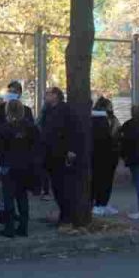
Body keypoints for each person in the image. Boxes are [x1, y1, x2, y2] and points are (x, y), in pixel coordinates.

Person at [0, 99, 39, 238]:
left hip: (8, 164)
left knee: (8, 196)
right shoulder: (30, 127)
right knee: (22, 196)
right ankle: (23, 227)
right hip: (25, 165)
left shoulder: (4, 128)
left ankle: (9, 227)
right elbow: (37, 145)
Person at [39, 87, 80, 230]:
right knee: (56, 186)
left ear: (56, 95)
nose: (45, 97)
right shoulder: (49, 110)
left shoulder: (65, 110)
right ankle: (64, 215)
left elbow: (72, 130)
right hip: (51, 153)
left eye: (48, 94)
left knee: (62, 186)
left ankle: (66, 216)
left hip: (60, 153)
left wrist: (71, 149)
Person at [91, 97, 121, 217]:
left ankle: (99, 204)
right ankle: (101, 204)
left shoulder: (92, 118)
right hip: (108, 155)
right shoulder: (108, 119)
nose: (112, 107)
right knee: (105, 181)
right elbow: (115, 134)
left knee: (97, 180)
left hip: (96, 155)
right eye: (110, 105)